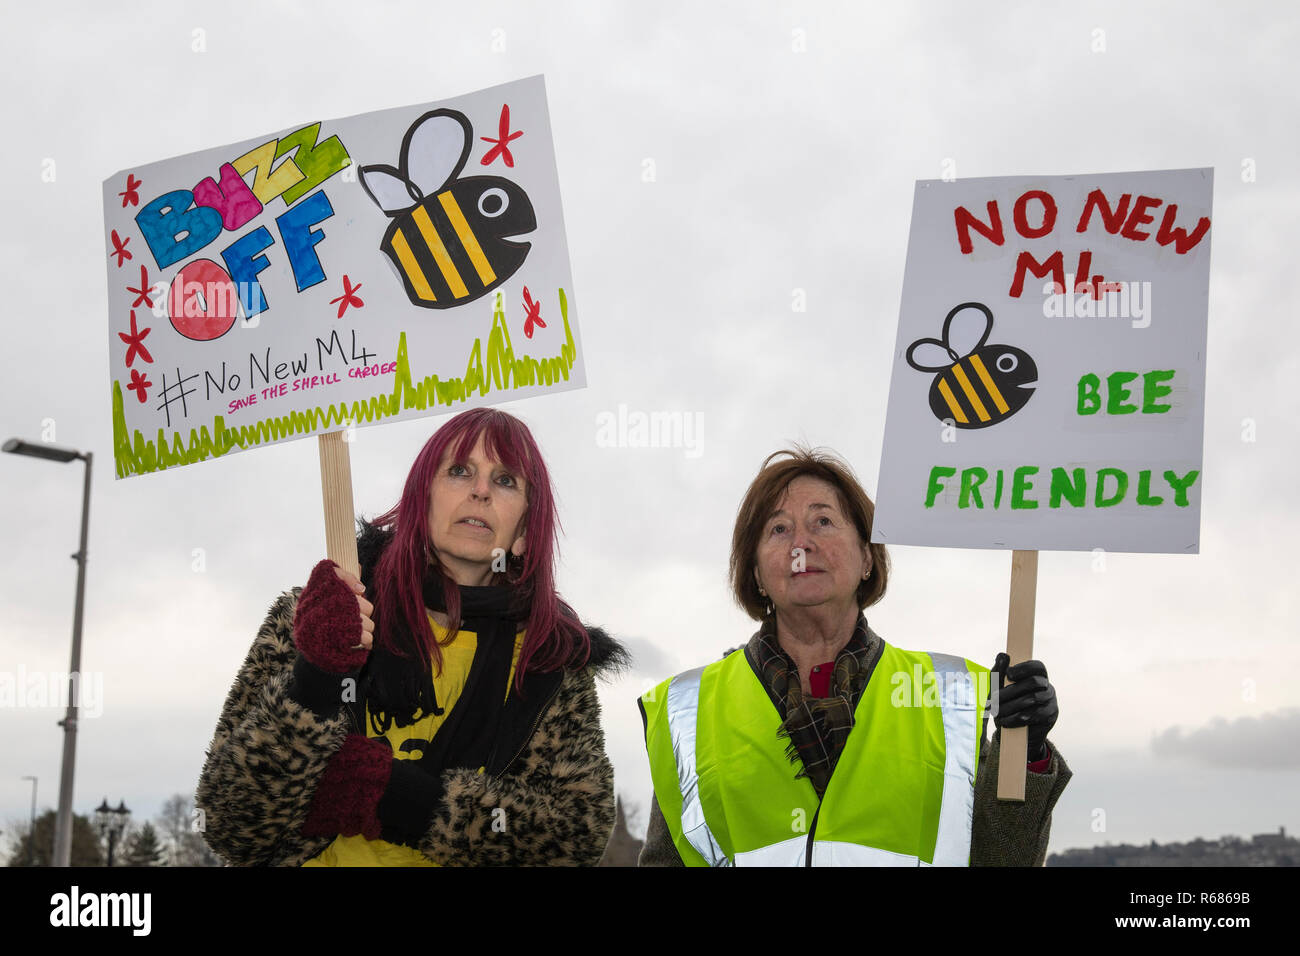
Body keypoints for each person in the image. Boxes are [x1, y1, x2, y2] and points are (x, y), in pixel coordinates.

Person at [197, 407, 627, 866]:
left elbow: (572, 838)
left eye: (505, 481)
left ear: (523, 533)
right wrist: (317, 674)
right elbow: (229, 821)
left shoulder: (547, 661)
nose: (480, 490)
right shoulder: (314, 618)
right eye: (459, 471)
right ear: (421, 502)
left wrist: (388, 793)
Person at [638, 447, 1070, 866]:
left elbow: (1002, 859)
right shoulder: (690, 710)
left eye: (822, 521)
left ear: (867, 555)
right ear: (755, 573)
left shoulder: (949, 696)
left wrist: (1025, 751)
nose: (800, 544)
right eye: (778, 529)